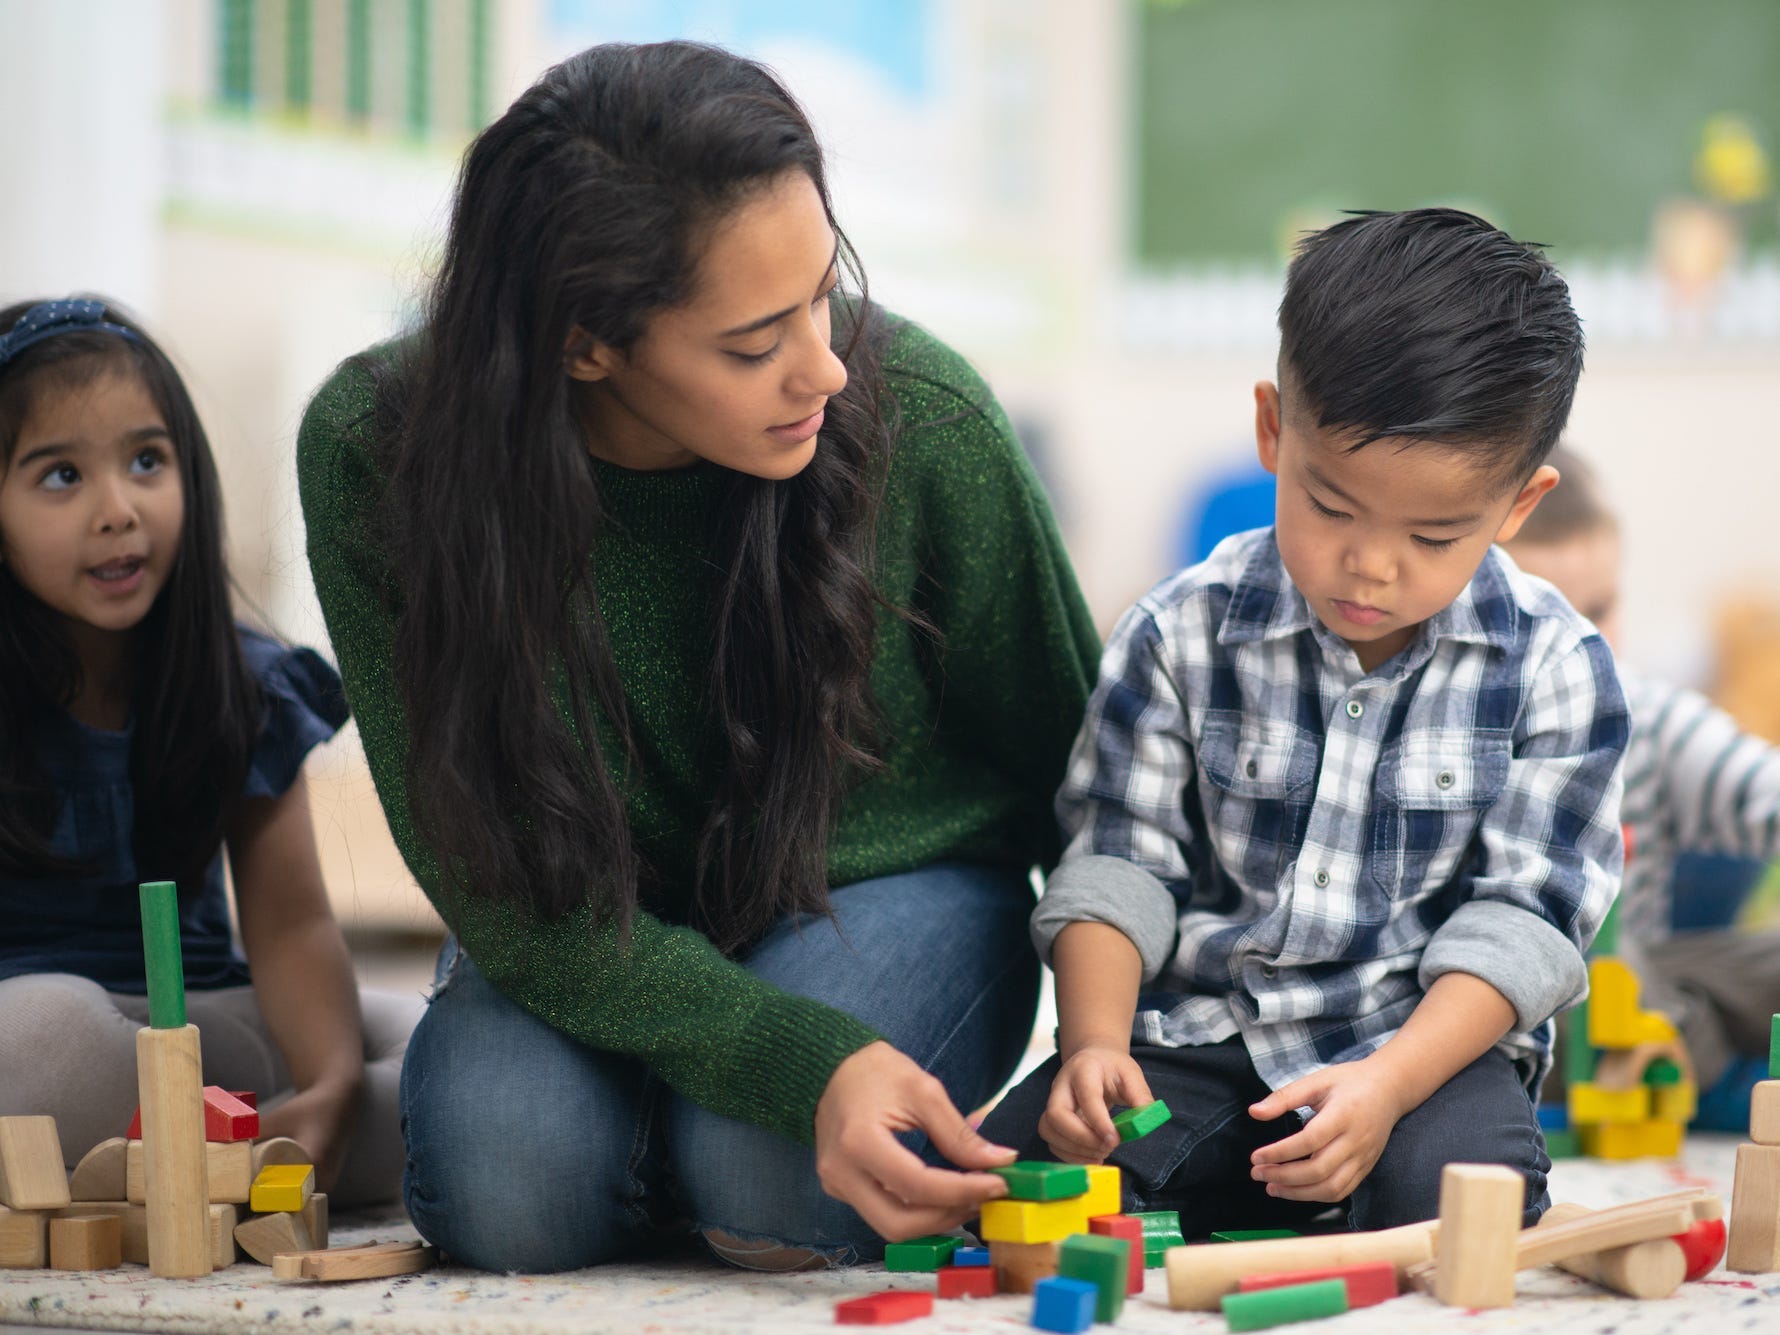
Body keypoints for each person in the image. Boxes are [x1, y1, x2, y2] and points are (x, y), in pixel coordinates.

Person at [297, 41, 1099, 1274]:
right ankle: (634, 1120)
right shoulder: (378, 456)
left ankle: (673, 1137)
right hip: (578, 913)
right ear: (582, 346)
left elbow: (1094, 784)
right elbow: (502, 877)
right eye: (752, 342)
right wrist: (794, 1059)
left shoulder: (924, 418)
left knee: (764, 1173)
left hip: (896, 888)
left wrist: (1118, 1057)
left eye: (825, 292)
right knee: (511, 1190)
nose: (825, 366)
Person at [981, 209, 1629, 1236]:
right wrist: (1094, 1043)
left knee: (1460, 1201)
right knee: (1024, 1178)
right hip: (1199, 1035)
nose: (1370, 564)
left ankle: (1290, 1180)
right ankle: (1251, 1178)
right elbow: (1118, 859)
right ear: (1274, 431)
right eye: (1330, 506)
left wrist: (1385, 1085)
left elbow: (1526, 923)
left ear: (1517, 503)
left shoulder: (1556, 667)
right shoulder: (1181, 628)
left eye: (1430, 534)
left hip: (1416, 1048)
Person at [0, 298, 417, 1206]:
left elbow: (294, 926)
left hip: (200, 1022)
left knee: (423, 1051)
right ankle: (219, 1158)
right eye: (60, 476)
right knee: (47, 1037)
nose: (119, 511)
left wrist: (333, 1089)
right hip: (41, 1030)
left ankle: (228, 1152)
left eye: (147, 461)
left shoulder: (242, 683)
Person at [1504, 445, 1780, 1118]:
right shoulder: (1450, 735)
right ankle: (1679, 1043)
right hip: (1508, 1022)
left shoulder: (1649, 718)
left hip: (1642, 1003)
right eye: (1548, 621)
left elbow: (1761, 790)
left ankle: (1678, 1044)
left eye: (1601, 607)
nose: (1586, 645)